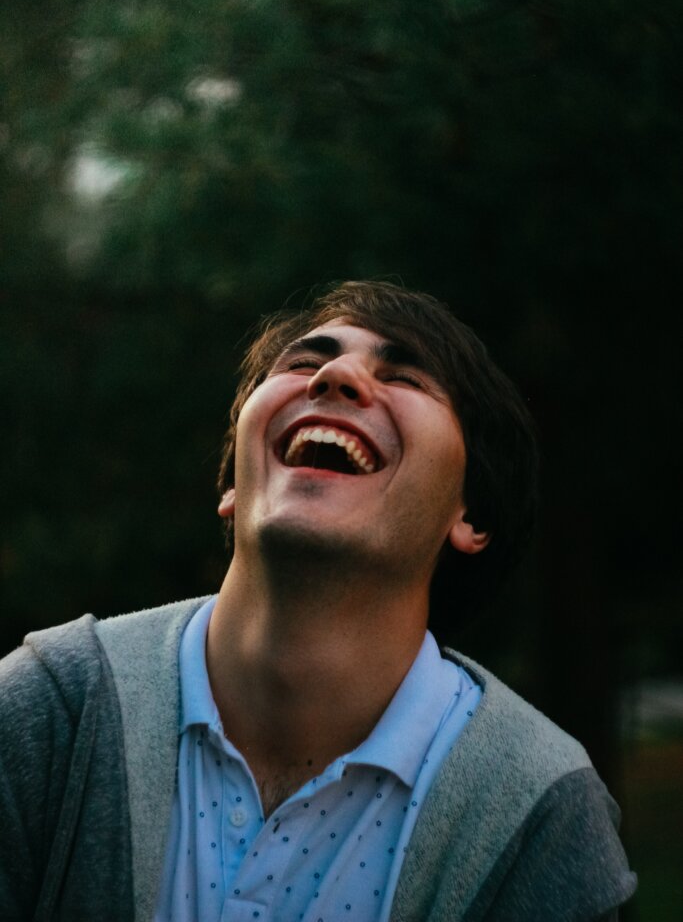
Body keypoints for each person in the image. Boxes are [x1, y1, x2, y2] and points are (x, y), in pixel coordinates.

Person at [0, 280, 635, 922]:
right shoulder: (50, 715)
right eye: (304, 363)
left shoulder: (539, 812)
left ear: (470, 514)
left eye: (406, 377)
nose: (335, 376)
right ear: (231, 486)